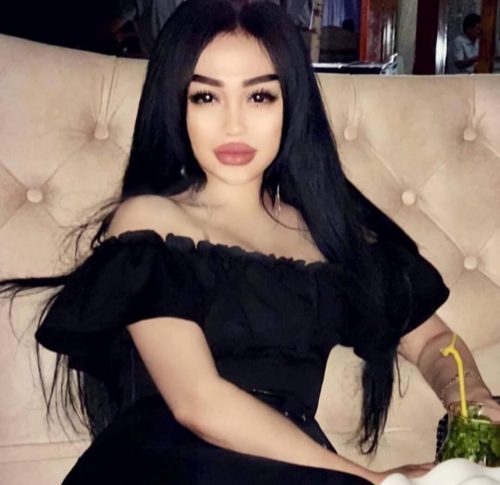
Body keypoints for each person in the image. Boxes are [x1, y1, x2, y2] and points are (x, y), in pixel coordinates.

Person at [1, 1, 499, 483]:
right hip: (165, 463)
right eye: (206, 97)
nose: (234, 124)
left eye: (260, 96)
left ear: (291, 105)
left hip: (298, 468)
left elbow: (433, 341)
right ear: (176, 105)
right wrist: (372, 480)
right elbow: (198, 402)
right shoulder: (149, 224)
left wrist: (471, 401)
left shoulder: (329, 239)